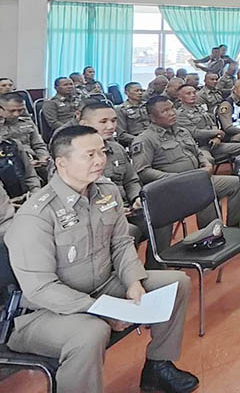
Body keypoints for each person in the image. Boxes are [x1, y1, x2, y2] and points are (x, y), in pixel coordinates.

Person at [6, 125, 197, 393]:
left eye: (102, 152)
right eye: (89, 155)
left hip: (103, 285)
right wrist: (103, 309)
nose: (100, 160)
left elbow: (121, 242)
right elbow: (41, 289)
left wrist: (133, 282)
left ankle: (158, 366)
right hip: (44, 312)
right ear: (62, 163)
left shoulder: (106, 191)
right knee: (91, 332)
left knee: (176, 284)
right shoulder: (36, 215)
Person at [132, 97, 240, 251]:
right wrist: (174, 178)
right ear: (152, 117)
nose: (172, 113)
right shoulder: (145, 139)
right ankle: (208, 237)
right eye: (165, 111)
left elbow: (197, 152)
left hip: (197, 180)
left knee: (236, 183)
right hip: (172, 187)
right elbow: (143, 171)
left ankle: (232, 228)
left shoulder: (182, 131)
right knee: (204, 195)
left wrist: (206, 163)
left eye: (172, 108)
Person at [76, 101, 148, 252]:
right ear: (84, 124)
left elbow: (131, 180)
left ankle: (156, 263)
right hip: (96, 215)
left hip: (127, 208)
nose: (111, 126)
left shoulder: (116, 148)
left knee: (159, 218)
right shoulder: (72, 156)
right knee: (130, 231)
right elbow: (75, 199)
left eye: (114, 121)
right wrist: (111, 210)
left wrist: (136, 198)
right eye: (103, 122)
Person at [177, 85, 240, 163]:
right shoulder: (180, 114)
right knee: (208, 160)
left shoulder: (200, 109)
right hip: (199, 147)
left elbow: (213, 124)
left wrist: (217, 137)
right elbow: (195, 133)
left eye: (194, 93)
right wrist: (216, 132)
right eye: (188, 93)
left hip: (213, 143)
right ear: (180, 97)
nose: (193, 95)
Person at [0, 91, 50, 170]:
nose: (16, 114)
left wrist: (43, 157)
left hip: (34, 162)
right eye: (12, 111)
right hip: (8, 166)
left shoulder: (27, 122)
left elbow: (38, 145)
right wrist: (26, 164)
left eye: (20, 110)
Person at [0, 138, 42, 205]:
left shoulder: (14, 144)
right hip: (6, 206)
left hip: (28, 197)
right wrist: (7, 205)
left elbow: (30, 174)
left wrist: (35, 192)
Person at [115, 82, 149, 148]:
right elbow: (121, 134)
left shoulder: (147, 105)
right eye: (136, 91)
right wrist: (139, 139)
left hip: (151, 137)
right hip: (135, 140)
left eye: (141, 90)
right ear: (127, 93)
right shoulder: (121, 109)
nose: (140, 93)